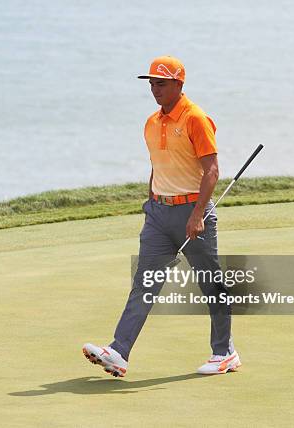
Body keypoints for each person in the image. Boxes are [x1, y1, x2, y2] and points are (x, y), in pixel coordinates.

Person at [82, 56, 240, 377]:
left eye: (162, 83)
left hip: (191, 212)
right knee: (145, 283)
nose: (155, 89)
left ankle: (224, 353)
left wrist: (197, 215)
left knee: (211, 284)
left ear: (179, 85)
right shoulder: (152, 123)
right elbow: (158, 165)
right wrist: (151, 201)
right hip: (158, 214)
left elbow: (211, 170)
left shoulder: (196, 118)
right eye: (152, 83)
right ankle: (119, 351)